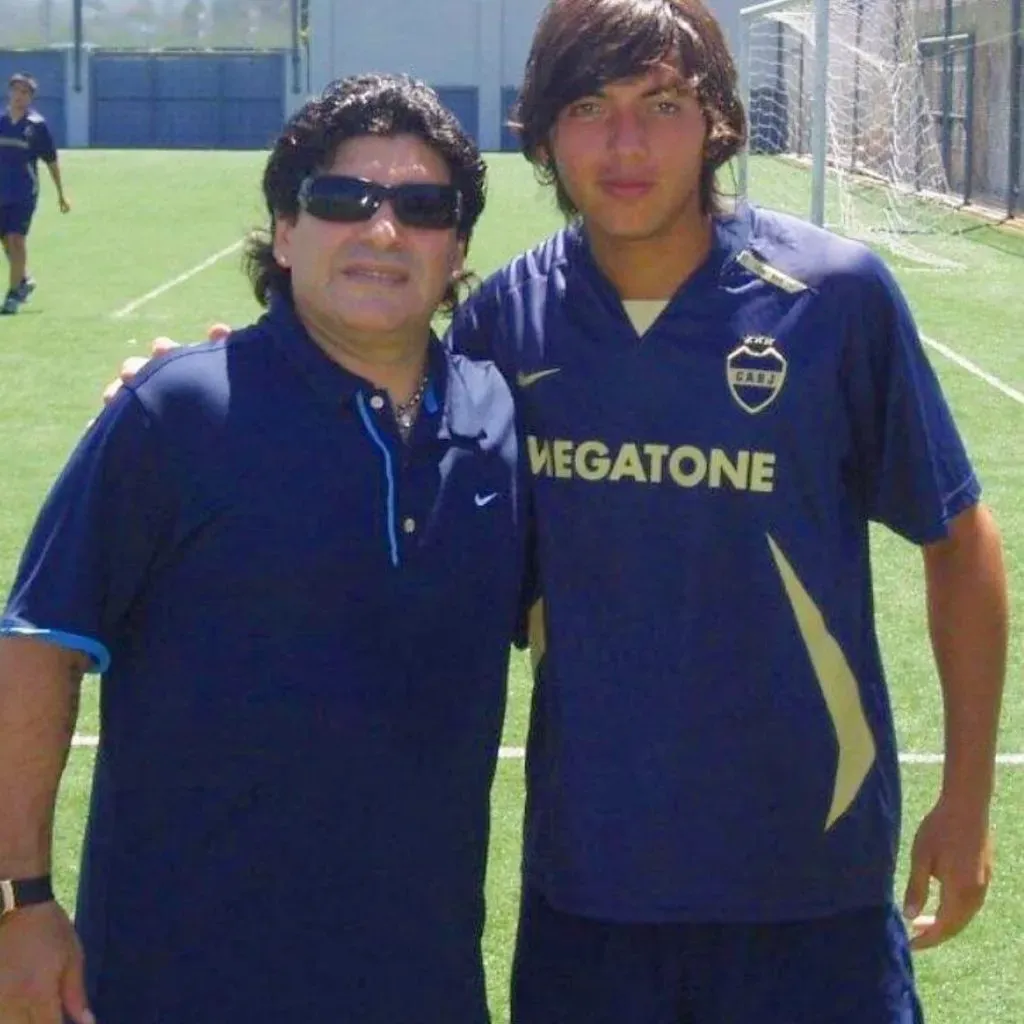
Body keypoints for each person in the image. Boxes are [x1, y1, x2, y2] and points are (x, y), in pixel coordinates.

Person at [104, 1, 1009, 1020]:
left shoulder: (834, 298)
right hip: (592, 887)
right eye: (588, 107)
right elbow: (366, 409)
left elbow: (958, 537)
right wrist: (214, 377)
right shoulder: (505, 319)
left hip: (810, 873)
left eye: (661, 104)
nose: (625, 145)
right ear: (542, 132)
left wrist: (966, 794)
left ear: (716, 122)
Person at [0, 73, 524, 1024]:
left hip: (420, 978)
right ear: (286, 233)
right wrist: (22, 901)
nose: (382, 230)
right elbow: (38, 650)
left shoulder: (499, 421)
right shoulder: (175, 411)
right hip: (178, 979)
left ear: (456, 251)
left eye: (422, 207)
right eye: (342, 199)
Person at [0, 73, 70, 315]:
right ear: (9, 92)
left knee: (16, 239)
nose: (19, 96)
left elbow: (51, 161)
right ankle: (24, 280)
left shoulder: (37, 126)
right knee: (6, 240)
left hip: (23, 192)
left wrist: (61, 193)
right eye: (16, 91)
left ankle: (12, 295)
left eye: (25, 92)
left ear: (31, 97)